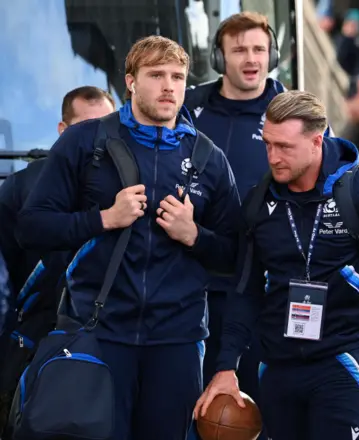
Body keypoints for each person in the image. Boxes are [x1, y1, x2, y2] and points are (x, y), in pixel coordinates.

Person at [16, 35, 242, 440]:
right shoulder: (86, 143)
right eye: (156, 75)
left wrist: (195, 236)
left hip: (178, 341)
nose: (169, 86)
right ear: (131, 81)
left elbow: (236, 257)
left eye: (177, 76)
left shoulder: (209, 159)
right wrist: (103, 218)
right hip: (98, 333)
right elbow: (32, 226)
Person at [194, 90, 359, 440]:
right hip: (277, 364)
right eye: (268, 144)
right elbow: (245, 289)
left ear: (316, 142)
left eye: (284, 147)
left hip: (341, 362)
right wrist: (226, 367)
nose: (273, 156)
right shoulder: (258, 202)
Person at [183, 11, 288, 416]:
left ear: (272, 56)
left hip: (260, 288)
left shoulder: (290, 111)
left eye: (259, 49)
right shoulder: (189, 108)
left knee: (252, 413)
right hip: (192, 283)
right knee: (193, 409)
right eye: (239, 49)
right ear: (219, 57)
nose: (251, 58)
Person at [0, 86, 115, 298]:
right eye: (86, 128)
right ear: (63, 130)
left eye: (107, 128)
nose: (99, 139)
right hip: (38, 324)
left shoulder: (133, 187)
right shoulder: (20, 187)